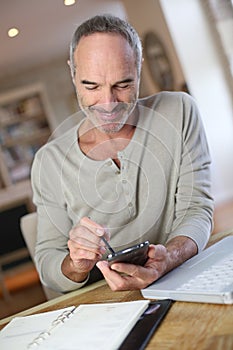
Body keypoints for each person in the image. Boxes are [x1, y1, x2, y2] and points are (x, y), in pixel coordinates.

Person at [31, 14, 214, 294]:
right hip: (106, 302)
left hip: (182, 277)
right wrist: (76, 263)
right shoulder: (49, 161)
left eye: (123, 84)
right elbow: (48, 264)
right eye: (91, 86)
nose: (108, 104)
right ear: (73, 73)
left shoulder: (179, 112)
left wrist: (168, 259)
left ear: (138, 68)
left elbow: (197, 209)